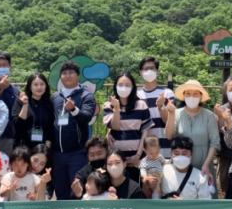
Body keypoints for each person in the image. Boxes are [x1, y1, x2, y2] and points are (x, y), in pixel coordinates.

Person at [51, 61, 97, 200]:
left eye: (71, 73)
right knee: (60, 191)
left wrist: (74, 109)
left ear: (78, 76)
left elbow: (86, 117)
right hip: (57, 154)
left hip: (77, 153)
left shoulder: (86, 96)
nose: (67, 76)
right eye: (64, 73)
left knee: (77, 191)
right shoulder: (55, 97)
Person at [165, 79, 220, 192]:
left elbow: (215, 142)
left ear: (201, 96)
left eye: (195, 94)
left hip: (203, 166)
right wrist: (170, 114)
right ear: (183, 96)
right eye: (188, 94)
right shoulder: (176, 113)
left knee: (204, 196)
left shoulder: (209, 116)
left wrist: (206, 164)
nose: (191, 97)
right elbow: (169, 135)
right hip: (181, 166)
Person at [103, 71, 153, 182]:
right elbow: (114, 126)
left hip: (136, 160)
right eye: (120, 85)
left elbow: (145, 131)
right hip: (116, 160)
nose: (123, 88)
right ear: (115, 86)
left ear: (133, 87)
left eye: (127, 85)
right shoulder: (108, 105)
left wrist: (138, 155)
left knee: (135, 188)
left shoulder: (141, 105)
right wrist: (116, 109)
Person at [136, 57, 175, 158]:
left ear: (157, 71)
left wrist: (160, 107)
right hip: (143, 151)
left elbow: (169, 122)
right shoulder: (136, 96)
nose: (149, 71)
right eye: (146, 68)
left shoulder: (167, 93)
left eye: (152, 68)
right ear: (140, 72)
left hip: (165, 149)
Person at [213, 76, 232, 198]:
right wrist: (220, 117)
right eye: (230, 89)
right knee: (225, 189)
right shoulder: (222, 109)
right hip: (227, 156)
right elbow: (219, 132)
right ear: (226, 92)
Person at [14, 73, 55, 150]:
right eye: (35, 84)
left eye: (42, 84)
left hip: (43, 148)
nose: (39, 87)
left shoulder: (49, 103)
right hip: (24, 148)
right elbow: (18, 125)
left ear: (46, 86)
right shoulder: (20, 101)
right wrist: (25, 105)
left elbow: (50, 126)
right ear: (30, 87)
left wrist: (49, 142)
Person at [0, 51, 20, 154]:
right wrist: (1, 89)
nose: (2, 68)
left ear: (10, 67)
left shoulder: (16, 91)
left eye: (4, 65)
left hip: (9, 137)